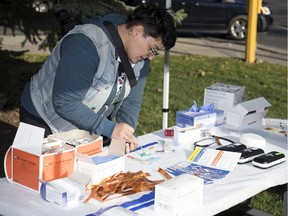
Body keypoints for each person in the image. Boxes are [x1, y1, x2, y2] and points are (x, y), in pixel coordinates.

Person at [19, 3, 177, 153]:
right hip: (42, 118)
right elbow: (65, 102)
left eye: (156, 52)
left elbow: (132, 101)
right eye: (153, 49)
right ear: (137, 30)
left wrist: (127, 133)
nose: (151, 57)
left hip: (81, 123)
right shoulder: (86, 45)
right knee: (39, 176)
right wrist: (110, 129)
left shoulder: (140, 56)